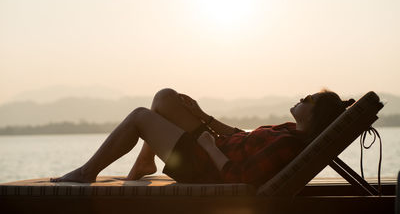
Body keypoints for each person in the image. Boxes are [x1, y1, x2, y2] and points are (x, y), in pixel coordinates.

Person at [50, 88, 355, 187]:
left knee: (141, 116)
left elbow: (240, 177)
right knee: (167, 98)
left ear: (316, 117)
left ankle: (87, 172)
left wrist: (209, 147)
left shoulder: (289, 144)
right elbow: (240, 137)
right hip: (212, 148)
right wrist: (204, 117)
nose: (302, 98)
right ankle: (143, 164)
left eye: (309, 99)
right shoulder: (288, 130)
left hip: (203, 165)